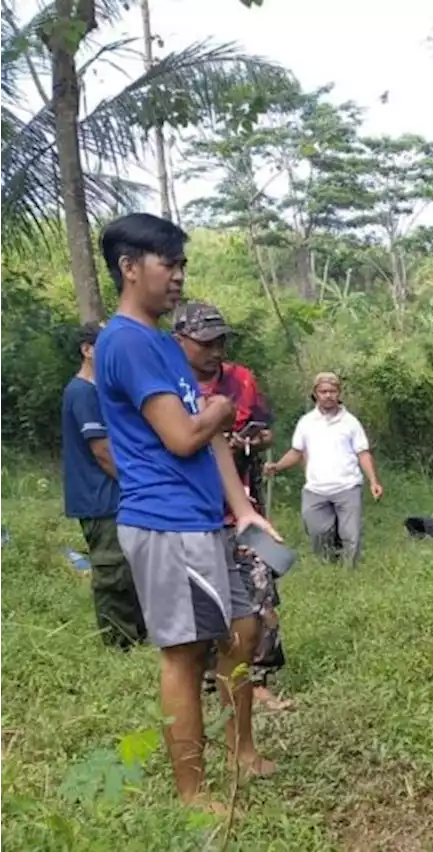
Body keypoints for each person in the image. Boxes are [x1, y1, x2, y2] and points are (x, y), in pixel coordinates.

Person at [94, 212, 281, 809]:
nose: (177, 277)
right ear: (129, 268)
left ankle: (242, 752)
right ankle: (193, 792)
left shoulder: (163, 343)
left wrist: (243, 508)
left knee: (243, 631)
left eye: (181, 265)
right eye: (166, 264)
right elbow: (184, 435)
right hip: (166, 522)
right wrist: (221, 413)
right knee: (184, 653)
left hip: (206, 517)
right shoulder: (125, 341)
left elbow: (214, 436)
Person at [172, 300, 290, 712]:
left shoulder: (241, 379)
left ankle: (257, 680)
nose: (215, 350)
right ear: (180, 340)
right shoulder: (170, 385)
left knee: (262, 591)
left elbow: (267, 433)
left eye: (220, 341)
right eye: (205, 342)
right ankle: (209, 680)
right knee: (203, 602)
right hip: (191, 514)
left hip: (244, 506)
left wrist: (249, 441)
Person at [60, 320, 146, 649]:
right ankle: (118, 642)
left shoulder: (100, 391)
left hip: (114, 495)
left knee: (130, 568)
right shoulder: (82, 392)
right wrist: (137, 486)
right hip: (100, 496)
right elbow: (102, 452)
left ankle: (137, 635)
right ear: (88, 350)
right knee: (112, 571)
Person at [265, 373, 383, 568]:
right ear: (315, 394)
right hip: (316, 489)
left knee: (350, 535)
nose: (328, 395)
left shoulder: (350, 422)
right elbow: (297, 451)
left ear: (339, 393)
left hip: (347, 486)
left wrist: (373, 481)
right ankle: (328, 568)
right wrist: (277, 466)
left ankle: (350, 575)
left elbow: (363, 453)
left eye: (332, 391)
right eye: (323, 391)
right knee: (318, 532)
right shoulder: (306, 422)